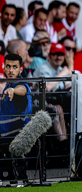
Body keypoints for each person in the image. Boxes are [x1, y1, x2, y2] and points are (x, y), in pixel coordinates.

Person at [0, 53, 32, 182]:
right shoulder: (7, 86)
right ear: (3, 67)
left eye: (15, 67)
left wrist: (13, 91)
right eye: (8, 66)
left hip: (15, 137)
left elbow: (22, 89)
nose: (11, 70)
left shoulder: (21, 85)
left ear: (21, 69)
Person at [33, 43, 70, 142]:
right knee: (57, 109)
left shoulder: (60, 69)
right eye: (55, 54)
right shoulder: (44, 68)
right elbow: (48, 87)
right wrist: (63, 74)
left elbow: (67, 85)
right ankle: (62, 141)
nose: (58, 57)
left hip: (54, 101)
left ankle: (66, 141)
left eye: (61, 54)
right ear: (49, 55)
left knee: (62, 107)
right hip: (37, 101)